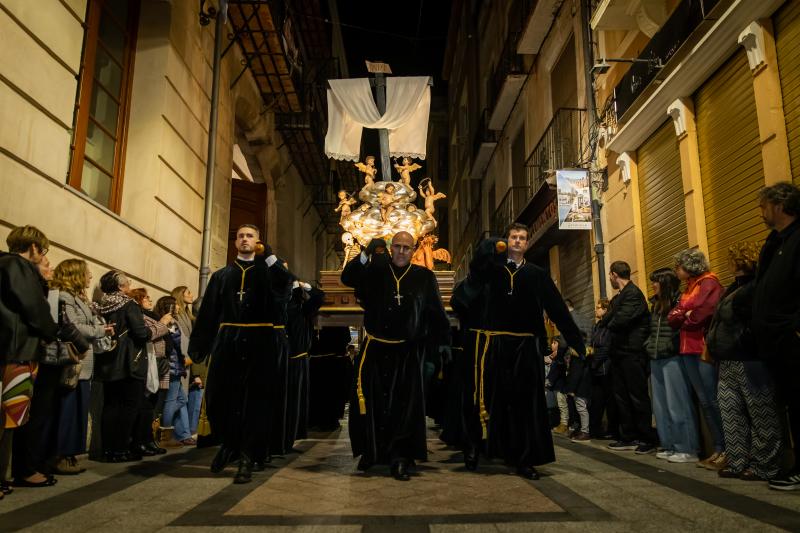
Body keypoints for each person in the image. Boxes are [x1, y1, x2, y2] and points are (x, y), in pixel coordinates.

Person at [463, 224, 585, 479]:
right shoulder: (492, 270)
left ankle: (524, 458)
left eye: (522, 238)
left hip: (525, 348)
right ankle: (476, 447)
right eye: (513, 237)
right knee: (488, 399)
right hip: (493, 345)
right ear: (506, 240)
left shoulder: (537, 275)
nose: (517, 241)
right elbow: (472, 280)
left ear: (527, 243)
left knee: (525, 405)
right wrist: (487, 251)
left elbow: (557, 309)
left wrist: (576, 341)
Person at [341, 231, 450, 481]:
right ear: (391, 249)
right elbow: (348, 278)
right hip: (376, 349)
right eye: (397, 247)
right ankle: (372, 451)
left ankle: (401, 456)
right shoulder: (376, 272)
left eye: (406, 248)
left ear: (414, 251)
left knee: (405, 407)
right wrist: (366, 253)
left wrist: (442, 345)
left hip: (408, 351)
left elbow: (435, 312)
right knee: (373, 403)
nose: (401, 252)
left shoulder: (424, 277)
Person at [188, 224, 292, 484]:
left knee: (257, 401)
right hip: (228, 343)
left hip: (261, 343)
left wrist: (269, 256)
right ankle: (229, 444)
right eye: (241, 236)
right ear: (236, 243)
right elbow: (209, 312)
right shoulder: (222, 276)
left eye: (250, 236)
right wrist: (199, 347)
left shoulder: (269, 273)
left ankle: (248, 455)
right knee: (222, 397)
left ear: (258, 241)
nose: (245, 239)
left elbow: (286, 285)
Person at [707, 242, 783, 481]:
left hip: (749, 359)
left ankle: (765, 464)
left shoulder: (755, 287)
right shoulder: (732, 288)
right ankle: (738, 460)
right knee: (731, 412)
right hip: (727, 359)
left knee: (760, 412)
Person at [0, 226, 60, 489]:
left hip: (9, 350)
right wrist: (50, 332)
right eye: (43, 250)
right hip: (17, 352)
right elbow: (33, 307)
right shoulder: (19, 266)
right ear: (34, 247)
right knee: (10, 418)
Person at [750, 182, 800, 491]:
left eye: (763, 206)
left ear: (779, 207)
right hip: (776, 341)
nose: (761, 212)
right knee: (790, 403)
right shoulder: (775, 242)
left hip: (791, 338)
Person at [51, 259, 114, 474]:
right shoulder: (64, 297)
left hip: (85, 363)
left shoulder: (80, 299)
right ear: (76, 274)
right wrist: (100, 331)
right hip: (72, 361)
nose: (89, 277)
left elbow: (90, 324)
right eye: (87, 273)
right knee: (67, 410)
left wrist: (99, 329)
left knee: (79, 409)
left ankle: (70, 454)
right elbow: (73, 325)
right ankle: (60, 455)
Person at [669, 249, 725, 469]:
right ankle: (719, 447)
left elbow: (703, 313)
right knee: (705, 400)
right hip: (688, 348)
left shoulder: (708, 283)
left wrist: (684, 315)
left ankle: (727, 448)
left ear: (688, 267)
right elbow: (673, 317)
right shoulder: (690, 287)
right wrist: (684, 315)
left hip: (702, 348)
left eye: (678, 266)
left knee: (712, 399)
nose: (676, 271)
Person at [599, 260, 657, 454]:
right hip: (620, 353)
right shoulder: (619, 297)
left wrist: (609, 320)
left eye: (609, 275)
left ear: (614, 274)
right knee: (622, 396)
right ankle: (628, 436)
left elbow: (618, 321)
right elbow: (606, 319)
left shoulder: (632, 294)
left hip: (633, 353)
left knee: (637, 396)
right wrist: (608, 320)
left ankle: (646, 437)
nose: (609, 278)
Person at [94, 270, 150, 463]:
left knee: (110, 406)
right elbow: (140, 333)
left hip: (108, 362)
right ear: (119, 286)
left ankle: (107, 450)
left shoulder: (101, 305)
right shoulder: (128, 304)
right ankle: (120, 449)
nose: (130, 284)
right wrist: (155, 330)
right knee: (129, 407)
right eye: (127, 282)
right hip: (129, 363)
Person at [644, 268, 698, 463]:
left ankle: (687, 447)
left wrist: (667, 345)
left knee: (678, 403)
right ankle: (668, 444)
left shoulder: (678, 301)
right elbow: (651, 330)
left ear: (665, 283)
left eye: (656, 281)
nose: (653, 285)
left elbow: (679, 329)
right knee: (660, 406)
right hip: (656, 356)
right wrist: (649, 346)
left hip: (672, 356)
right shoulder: (656, 304)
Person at [284, 278, 325, 450]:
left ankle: (287, 438)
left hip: (295, 360)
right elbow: (319, 296)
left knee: (292, 403)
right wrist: (305, 286)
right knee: (290, 403)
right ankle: (285, 439)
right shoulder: (295, 307)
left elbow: (319, 297)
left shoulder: (302, 308)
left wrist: (302, 286)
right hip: (291, 361)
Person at [129, 288, 169, 455]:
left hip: (160, 362)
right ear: (138, 300)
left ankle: (149, 439)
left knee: (155, 403)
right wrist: (163, 323)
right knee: (145, 404)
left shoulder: (151, 315)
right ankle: (141, 441)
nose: (150, 300)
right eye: (146, 298)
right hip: (149, 361)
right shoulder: (140, 316)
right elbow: (149, 334)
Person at [156, 296, 193, 447]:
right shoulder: (169, 322)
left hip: (175, 366)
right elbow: (176, 342)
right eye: (175, 305)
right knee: (171, 401)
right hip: (173, 366)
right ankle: (165, 433)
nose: (178, 307)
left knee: (181, 399)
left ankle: (162, 419)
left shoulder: (169, 321)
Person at [588, 299, 617, 439]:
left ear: (606, 310)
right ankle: (595, 429)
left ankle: (612, 430)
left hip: (605, 368)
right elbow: (593, 344)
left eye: (598, 307)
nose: (596, 310)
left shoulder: (608, 326)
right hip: (596, 368)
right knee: (597, 400)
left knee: (609, 401)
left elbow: (605, 347)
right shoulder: (597, 325)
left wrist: (595, 363)